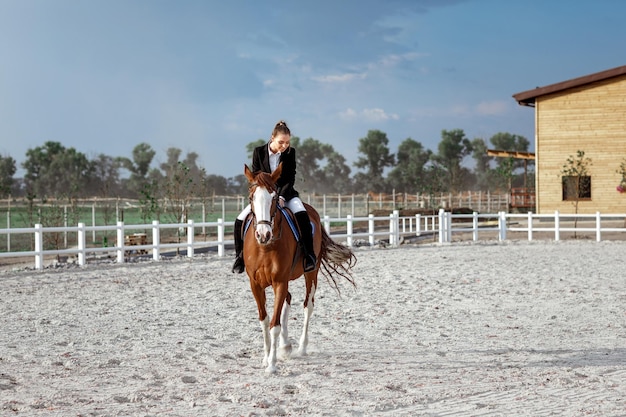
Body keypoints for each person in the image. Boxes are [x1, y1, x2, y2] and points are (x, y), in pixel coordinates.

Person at [232, 120, 317, 274]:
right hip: (265, 195)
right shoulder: (258, 152)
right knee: (239, 220)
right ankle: (239, 257)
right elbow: (257, 175)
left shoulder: (290, 153)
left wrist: (282, 196)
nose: (284, 146)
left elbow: (290, 178)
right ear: (272, 138)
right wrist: (267, 194)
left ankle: (309, 255)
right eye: (281, 142)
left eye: (287, 142)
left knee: (302, 214)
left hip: (286, 194)